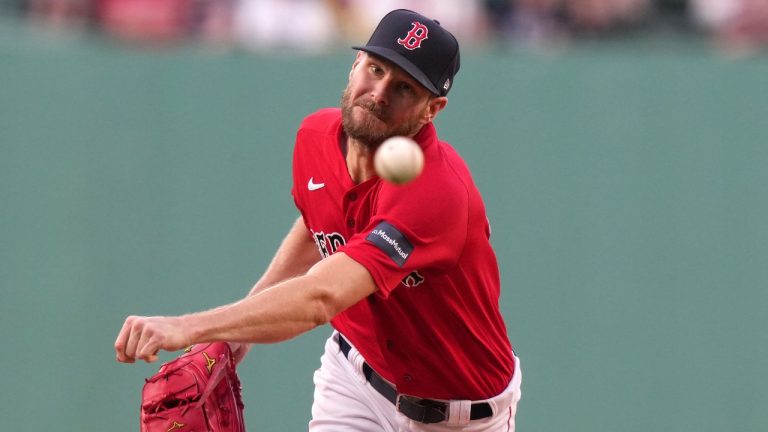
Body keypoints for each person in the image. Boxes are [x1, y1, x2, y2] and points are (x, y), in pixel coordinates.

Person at [114, 9, 522, 431]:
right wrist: (235, 337)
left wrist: (189, 328)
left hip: (460, 416)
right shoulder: (316, 137)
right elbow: (317, 229)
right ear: (354, 66)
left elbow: (320, 298)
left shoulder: (435, 189)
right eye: (375, 68)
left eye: (403, 87)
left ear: (431, 109)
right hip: (355, 383)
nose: (379, 92)